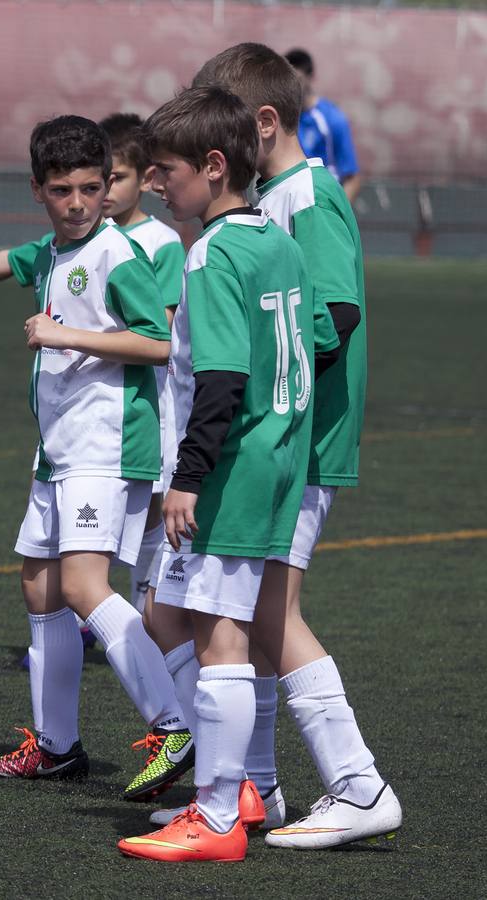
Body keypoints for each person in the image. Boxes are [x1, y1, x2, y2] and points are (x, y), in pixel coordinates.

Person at [0, 117, 193, 803]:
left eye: (90, 189)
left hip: (105, 444)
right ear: (36, 189)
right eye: (61, 190)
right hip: (57, 448)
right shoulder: (53, 249)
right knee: (39, 586)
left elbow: (159, 344)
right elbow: (10, 260)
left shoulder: (117, 255)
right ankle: (57, 746)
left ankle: (173, 722)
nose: (76, 203)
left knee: (85, 587)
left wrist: (65, 334)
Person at [179, 41, 401, 851]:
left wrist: (261, 379)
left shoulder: (305, 196)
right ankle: (257, 788)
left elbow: (333, 314)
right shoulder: (273, 195)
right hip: (279, 432)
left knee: (270, 611)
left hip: (298, 437)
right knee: (252, 610)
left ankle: (356, 783)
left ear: (261, 122)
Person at [117, 85, 313, 862]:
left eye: (164, 171)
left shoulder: (214, 251)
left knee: (219, 636)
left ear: (212, 165)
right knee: (190, 618)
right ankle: (236, 795)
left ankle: (218, 815)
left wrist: (188, 478)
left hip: (233, 466)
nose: (157, 183)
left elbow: (223, 379)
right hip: (277, 458)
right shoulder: (275, 240)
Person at [99, 113, 183, 612]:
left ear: (146, 177)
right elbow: (19, 257)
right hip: (94, 402)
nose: (104, 190)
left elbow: (161, 329)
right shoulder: (87, 237)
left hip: (149, 405)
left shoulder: (162, 242)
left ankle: (141, 618)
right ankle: (90, 615)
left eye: (115, 178)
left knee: (151, 512)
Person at [284, 49, 362, 204]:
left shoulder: (332, 119)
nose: (292, 86)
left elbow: (352, 178)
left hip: (324, 201)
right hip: (293, 201)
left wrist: (338, 213)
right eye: (287, 79)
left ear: (310, 77)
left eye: (297, 79)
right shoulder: (280, 118)